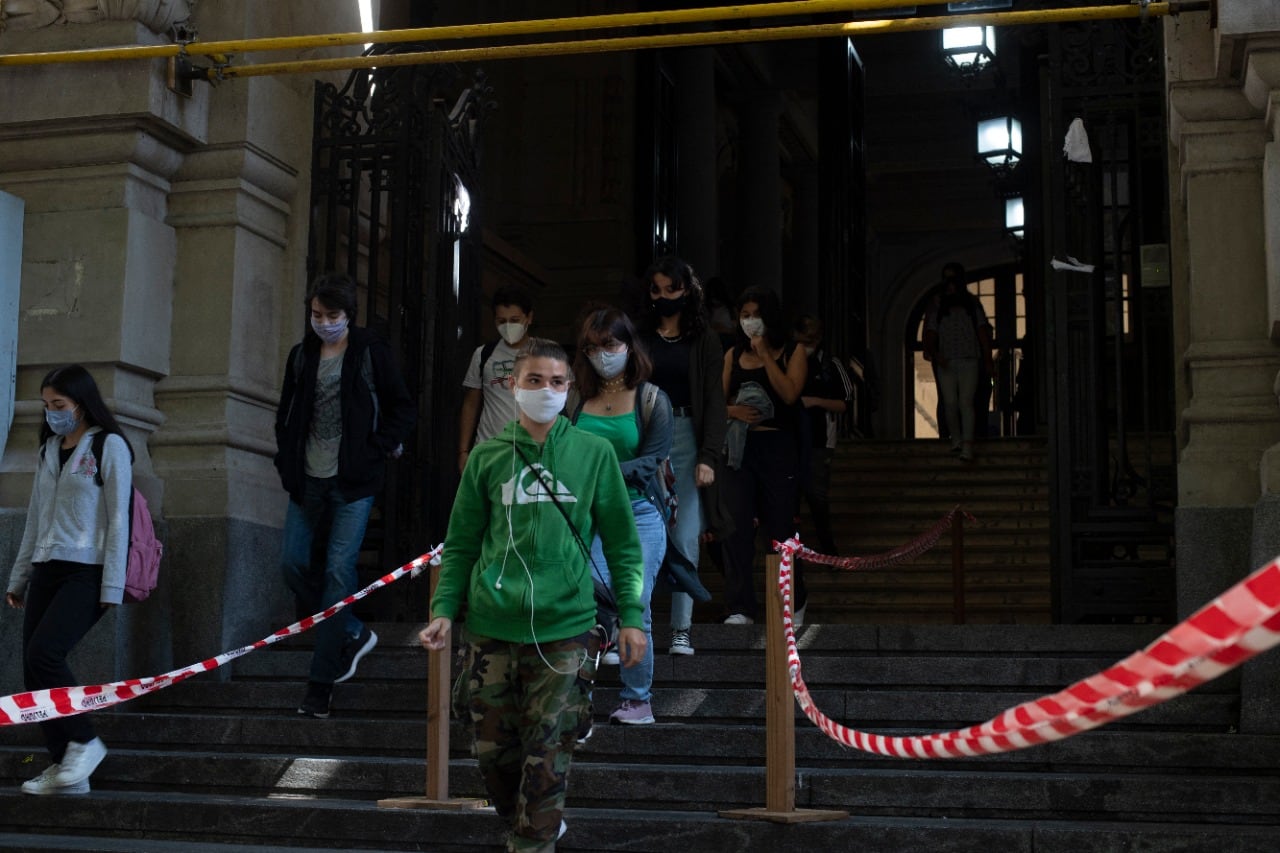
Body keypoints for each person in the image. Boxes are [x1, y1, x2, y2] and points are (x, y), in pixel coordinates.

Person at [419, 338, 646, 853]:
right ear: (512, 385)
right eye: (534, 380)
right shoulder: (486, 458)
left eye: (557, 382)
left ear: (570, 390)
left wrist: (632, 616)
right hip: (492, 626)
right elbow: (460, 545)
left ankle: (534, 838)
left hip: (565, 629)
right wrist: (443, 611)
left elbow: (623, 544)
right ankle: (536, 823)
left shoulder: (594, 454)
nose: (546, 390)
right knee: (493, 757)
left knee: (546, 756)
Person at [274, 272, 416, 719]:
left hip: (353, 482)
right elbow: (287, 413)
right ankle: (352, 628)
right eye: (316, 314)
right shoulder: (301, 357)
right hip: (307, 478)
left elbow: (401, 407)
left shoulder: (370, 351)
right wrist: (286, 460)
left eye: (332, 316)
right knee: (293, 562)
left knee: (338, 571)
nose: (323, 323)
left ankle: (320, 684)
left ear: (348, 316)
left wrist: (374, 449)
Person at [6, 364, 129, 795]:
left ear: (81, 402)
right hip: (46, 568)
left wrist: (113, 584)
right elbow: (35, 520)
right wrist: (19, 577)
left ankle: (84, 741)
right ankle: (65, 770)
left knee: (45, 655)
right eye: (46, 406)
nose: (52, 414)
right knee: (33, 672)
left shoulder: (108, 445)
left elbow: (119, 520)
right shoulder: (49, 450)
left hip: (87, 570)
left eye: (59, 405)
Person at [568, 305, 670, 725]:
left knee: (635, 598)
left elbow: (653, 460)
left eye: (610, 344)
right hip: (587, 513)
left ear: (629, 345)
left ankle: (637, 699)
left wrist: (602, 473)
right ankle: (572, 701)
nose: (602, 353)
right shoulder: (575, 398)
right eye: (593, 347)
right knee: (578, 592)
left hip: (640, 511)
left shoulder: (651, 399)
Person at [633, 256, 728, 656]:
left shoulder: (704, 339)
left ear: (687, 290)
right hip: (646, 434)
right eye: (656, 289)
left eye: (671, 288)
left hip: (688, 434)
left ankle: (681, 630)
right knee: (638, 533)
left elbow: (713, 399)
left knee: (685, 534)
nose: (663, 296)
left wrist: (709, 454)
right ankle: (636, 625)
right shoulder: (640, 337)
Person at [721, 287, 808, 625]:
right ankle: (740, 606)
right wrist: (733, 411)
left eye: (755, 314)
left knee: (781, 529)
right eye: (744, 315)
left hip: (778, 449)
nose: (750, 322)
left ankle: (792, 600)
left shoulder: (792, 351)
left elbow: (788, 393)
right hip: (740, 451)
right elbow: (715, 403)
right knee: (736, 528)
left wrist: (766, 356)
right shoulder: (732, 355)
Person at [458, 285, 536, 473]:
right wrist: (463, 451)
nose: (508, 326)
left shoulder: (547, 354)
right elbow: (471, 404)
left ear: (529, 318)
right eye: (501, 321)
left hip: (533, 454)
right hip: (489, 452)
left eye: (515, 320)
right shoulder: (483, 354)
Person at [922, 262, 994, 461]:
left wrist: (987, 361)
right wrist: (936, 355)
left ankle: (966, 444)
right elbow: (931, 332)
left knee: (964, 402)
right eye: (947, 279)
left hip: (968, 359)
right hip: (947, 360)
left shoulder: (971, 304)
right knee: (951, 403)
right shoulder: (939, 304)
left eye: (953, 279)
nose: (950, 283)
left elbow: (981, 333)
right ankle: (958, 439)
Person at [794, 315, 854, 556]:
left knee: (817, 495)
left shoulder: (831, 364)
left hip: (820, 438)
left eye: (809, 339)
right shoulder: (789, 360)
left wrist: (816, 402)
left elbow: (846, 402)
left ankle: (828, 549)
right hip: (791, 436)